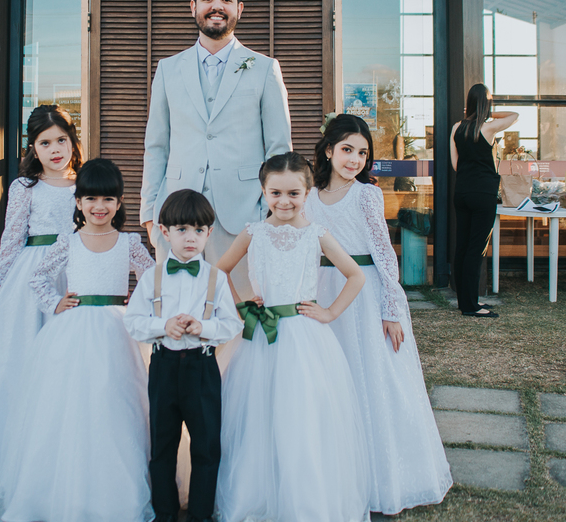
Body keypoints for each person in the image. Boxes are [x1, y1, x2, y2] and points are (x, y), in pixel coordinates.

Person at [0, 158, 155, 522]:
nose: (99, 207)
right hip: (73, 330)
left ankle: (114, 486)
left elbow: (152, 277)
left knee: (116, 399)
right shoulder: (69, 241)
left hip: (116, 330)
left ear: (119, 202)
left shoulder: (129, 242)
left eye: (108, 199)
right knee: (70, 401)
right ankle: (64, 482)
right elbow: (38, 277)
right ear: (78, 202)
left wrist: (139, 303)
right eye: (91, 199)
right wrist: (55, 302)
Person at [306, 114, 452, 514]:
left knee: (372, 378)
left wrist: (391, 309)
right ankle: (335, 472)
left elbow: (385, 254)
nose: (354, 160)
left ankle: (382, 476)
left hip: (364, 291)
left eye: (362, 152)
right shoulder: (309, 195)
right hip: (323, 288)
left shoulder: (366, 194)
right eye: (347, 150)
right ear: (328, 150)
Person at [215, 152, 370, 522]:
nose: (284, 202)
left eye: (293, 194)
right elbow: (219, 271)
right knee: (259, 413)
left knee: (302, 414)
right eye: (275, 193)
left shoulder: (317, 234)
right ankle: (257, 494)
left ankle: (306, 499)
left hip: (304, 338)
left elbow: (356, 275)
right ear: (263, 192)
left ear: (307, 192)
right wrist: (239, 305)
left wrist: (329, 312)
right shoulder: (253, 233)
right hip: (261, 337)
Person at [0, 105, 80, 487]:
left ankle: (59, 451)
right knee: (21, 360)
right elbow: (11, 239)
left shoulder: (85, 183)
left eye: (61, 140)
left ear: (72, 141)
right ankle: (12, 453)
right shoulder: (25, 187)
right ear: (32, 148)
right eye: (45, 143)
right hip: (31, 276)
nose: (55, 150)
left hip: (75, 273)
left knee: (66, 362)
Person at [141, 0, 292, 291]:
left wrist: (268, 214)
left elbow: (279, 151)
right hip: (175, 215)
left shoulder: (264, 68)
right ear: (193, 6)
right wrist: (150, 216)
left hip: (243, 216)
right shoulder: (168, 69)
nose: (217, 6)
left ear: (239, 8)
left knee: (239, 310)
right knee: (179, 307)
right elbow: (156, 145)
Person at [124, 189, 244, 522]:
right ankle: (165, 512)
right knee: (162, 444)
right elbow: (133, 321)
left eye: (198, 230)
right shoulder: (152, 277)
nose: (190, 238)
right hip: (163, 366)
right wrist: (163, 325)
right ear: (164, 232)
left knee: (206, 445)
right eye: (181, 230)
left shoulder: (216, 278)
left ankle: (201, 514)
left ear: (209, 233)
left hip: (201, 367)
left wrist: (203, 327)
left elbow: (232, 324)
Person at [449, 84, 518, 319]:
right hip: (483, 193)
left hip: (462, 192)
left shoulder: (457, 127)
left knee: (463, 247)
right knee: (476, 249)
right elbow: (515, 115)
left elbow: (456, 165)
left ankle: (465, 301)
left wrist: (478, 110)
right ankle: (471, 306)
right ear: (486, 103)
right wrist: (489, 112)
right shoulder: (488, 128)